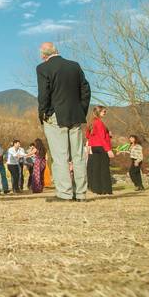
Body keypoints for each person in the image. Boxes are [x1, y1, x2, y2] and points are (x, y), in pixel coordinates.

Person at [36, 42, 92, 202]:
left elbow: (44, 94)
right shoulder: (74, 66)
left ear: (43, 55)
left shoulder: (43, 68)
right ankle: (80, 194)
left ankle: (65, 193)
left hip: (55, 116)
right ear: (57, 51)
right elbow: (86, 90)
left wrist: (43, 112)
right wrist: (81, 110)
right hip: (76, 115)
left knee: (60, 156)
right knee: (78, 155)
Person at [85, 105, 114, 195]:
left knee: (96, 169)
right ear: (98, 112)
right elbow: (102, 138)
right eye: (104, 112)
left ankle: (97, 189)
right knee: (104, 169)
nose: (105, 113)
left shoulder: (91, 122)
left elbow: (87, 135)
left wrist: (107, 134)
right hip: (102, 147)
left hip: (94, 147)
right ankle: (106, 190)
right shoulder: (99, 122)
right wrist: (108, 149)